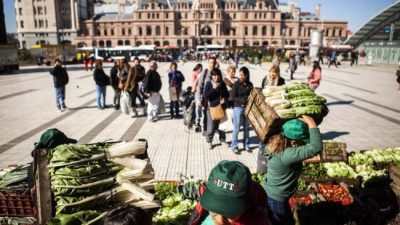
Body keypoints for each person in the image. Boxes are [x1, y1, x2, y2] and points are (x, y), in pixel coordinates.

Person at [262, 115, 323, 225]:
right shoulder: (288, 154)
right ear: (294, 142)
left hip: (269, 194)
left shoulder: (275, 143)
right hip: (276, 200)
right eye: (301, 142)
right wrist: (311, 123)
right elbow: (316, 147)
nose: (303, 144)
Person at [188, 160, 272, 225]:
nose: (220, 219)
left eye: (229, 213)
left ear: (246, 204)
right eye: (215, 207)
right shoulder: (204, 203)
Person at [203, 68, 229, 150]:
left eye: (217, 75)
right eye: (214, 75)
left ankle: (222, 139)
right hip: (211, 109)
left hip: (221, 107)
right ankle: (209, 141)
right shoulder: (208, 84)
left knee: (222, 125)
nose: (216, 77)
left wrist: (224, 99)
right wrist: (213, 89)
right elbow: (205, 96)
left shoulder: (222, 84)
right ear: (211, 76)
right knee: (211, 126)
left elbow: (227, 94)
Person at [231, 67, 253, 154]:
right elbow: (233, 97)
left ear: (247, 75)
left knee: (246, 128)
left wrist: (248, 101)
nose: (241, 77)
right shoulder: (236, 84)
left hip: (247, 108)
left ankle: (246, 145)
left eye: (243, 75)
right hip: (238, 108)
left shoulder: (250, 84)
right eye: (240, 75)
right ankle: (234, 146)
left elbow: (252, 95)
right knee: (236, 128)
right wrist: (242, 101)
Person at [196, 56, 218, 136]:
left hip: (215, 99)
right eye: (210, 62)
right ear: (208, 63)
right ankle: (205, 130)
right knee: (205, 114)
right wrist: (198, 99)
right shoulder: (204, 73)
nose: (212, 64)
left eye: (213, 62)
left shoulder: (217, 72)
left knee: (215, 115)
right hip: (206, 98)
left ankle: (213, 129)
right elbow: (199, 86)